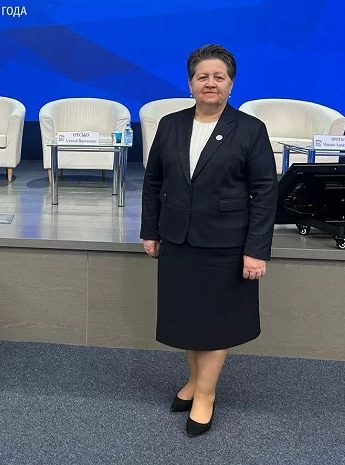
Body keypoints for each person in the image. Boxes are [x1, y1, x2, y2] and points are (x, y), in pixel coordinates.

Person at [140, 44, 277, 437]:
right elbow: (153, 182)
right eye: (203, 76)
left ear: (231, 84)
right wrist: (150, 230)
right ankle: (194, 381)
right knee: (188, 320)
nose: (210, 83)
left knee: (215, 324)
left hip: (225, 245)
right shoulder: (170, 124)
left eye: (219, 76)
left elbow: (265, 193)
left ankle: (205, 394)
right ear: (190, 83)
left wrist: (256, 251)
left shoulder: (249, 129)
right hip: (178, 241)